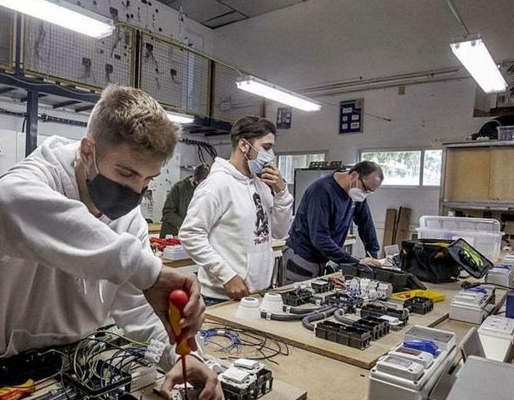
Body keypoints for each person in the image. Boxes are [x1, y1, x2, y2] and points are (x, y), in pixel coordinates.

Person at [0, 85, 225, 400]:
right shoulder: (42, 176)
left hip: (68, 369)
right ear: (87, 150)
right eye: (126, 172)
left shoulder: (128, 219)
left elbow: (136, 305)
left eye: (148, 180)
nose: (136, 190)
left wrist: (182, 356)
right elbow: (7, 204)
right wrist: (148, 270)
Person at [180, 116, 293, 305]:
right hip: (221, 297)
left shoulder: (262, 186)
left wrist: (282, 192)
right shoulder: (216, 185)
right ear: (244, 145)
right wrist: (226, 275)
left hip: (258, 293)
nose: (271, 154)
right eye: (266, 147)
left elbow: (280, 232)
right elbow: (190, 234)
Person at [282, 161, 384, 284]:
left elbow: (365, 224)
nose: (366, 194)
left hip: (323, 259)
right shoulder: (321, 191)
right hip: (303, 259)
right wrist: (356, 262)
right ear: (354, 175)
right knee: (298, 299)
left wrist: (372, 255)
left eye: (370, 192)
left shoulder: (356, 194)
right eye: (366, 189)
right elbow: (319, 238)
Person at [159, 164, 210, 238]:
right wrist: (186, 223)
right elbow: (167, 213)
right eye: (199, 184)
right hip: (172, 233)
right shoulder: (179, 188)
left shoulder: (204, 191)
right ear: (194, 177)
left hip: (190, 233)